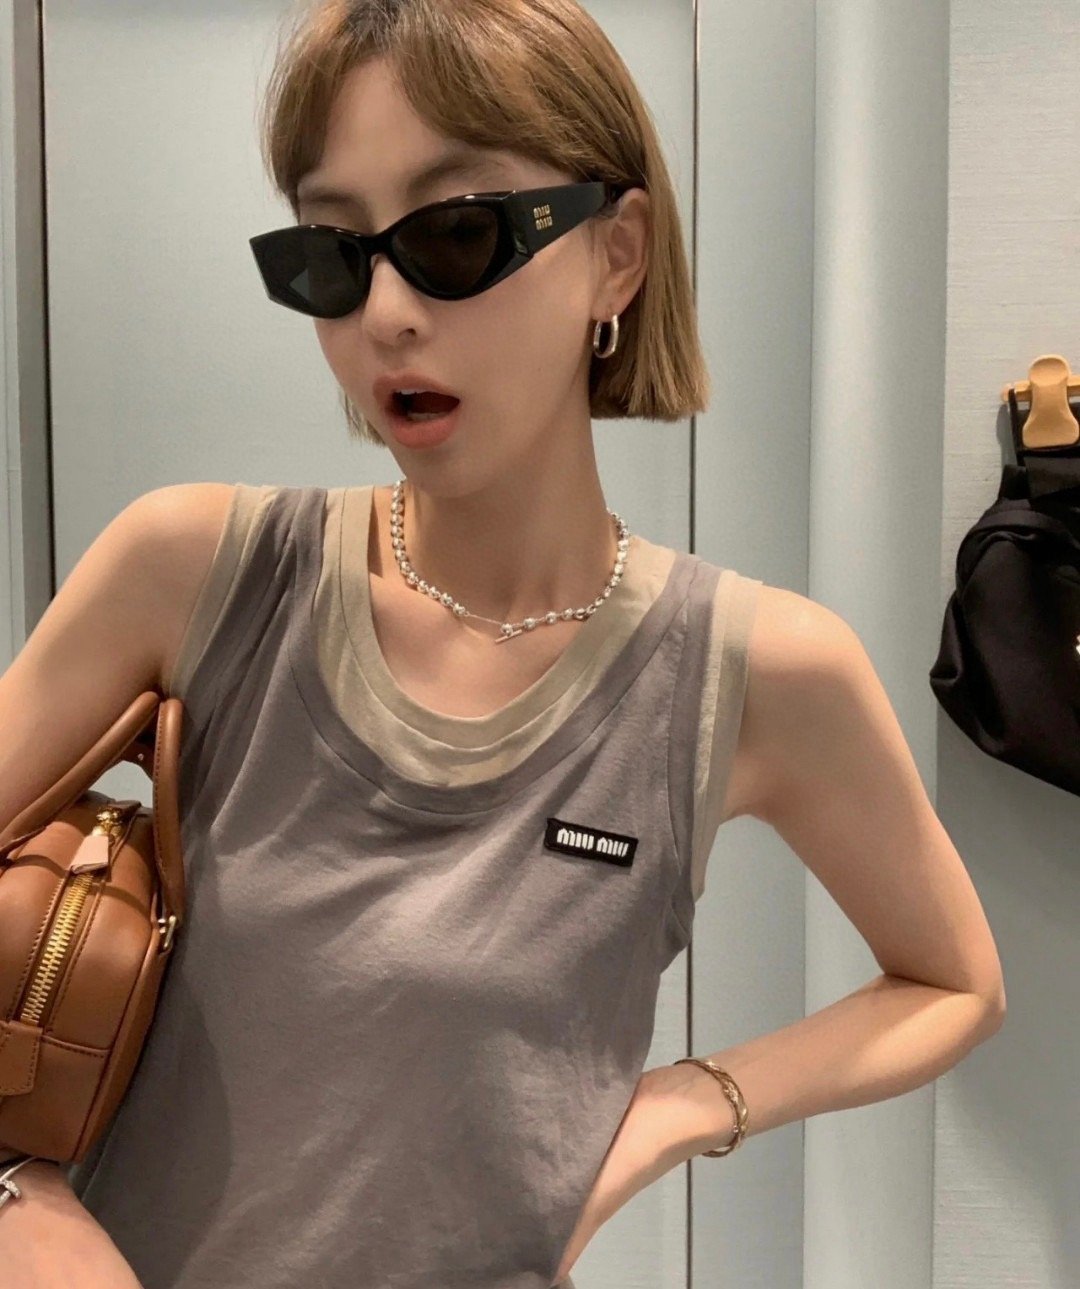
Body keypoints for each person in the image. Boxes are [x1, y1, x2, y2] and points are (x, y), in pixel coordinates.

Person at [0, 0, 1006, 1286]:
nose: (385, 313)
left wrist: (680, 1105)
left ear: (617, 256)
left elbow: (954, 981)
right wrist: (16, 1189)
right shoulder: (193, 570)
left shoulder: (755, 671)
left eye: (457, 234)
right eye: (332, 254)